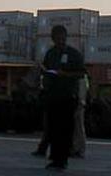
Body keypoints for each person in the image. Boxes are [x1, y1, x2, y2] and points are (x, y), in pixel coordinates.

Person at [38, 24, 85, 171]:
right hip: (53, 96)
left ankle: (62, 159)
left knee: (65, 130)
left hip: (67, 96)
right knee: (52, 128)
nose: (60, 40)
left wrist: (66, 75)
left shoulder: (73, 54)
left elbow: (81, 73)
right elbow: (45, 70)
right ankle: (55, 157)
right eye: (57, 38)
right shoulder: (50, 53)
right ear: (53, 38)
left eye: (62, 37)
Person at [73, 71, 89, 157]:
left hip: (78, 104)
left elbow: (82, 92)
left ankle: (79, 149)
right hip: (79, 103)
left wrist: (81, 102)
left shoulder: (81, 79)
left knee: (78, 127)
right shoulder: (83, 78)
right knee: (78, 128)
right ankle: (78, 148)